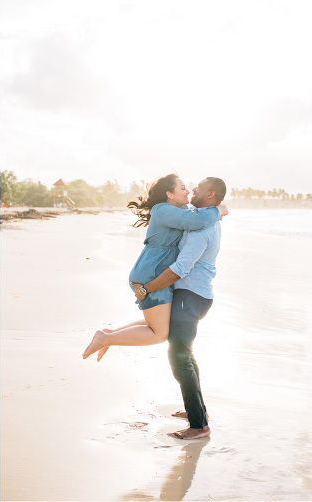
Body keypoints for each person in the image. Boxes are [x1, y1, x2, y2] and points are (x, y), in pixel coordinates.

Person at [82, 174, 227, 361]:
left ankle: (110, 333)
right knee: (159, 333)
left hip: (156, 270)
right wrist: (218, 210)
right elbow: (197, 221)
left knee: (160, 321)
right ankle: (106, 338)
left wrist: (215, 210)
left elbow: (197, 215)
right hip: (152, 272)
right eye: (182, 188)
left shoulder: (179, 209)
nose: (188, 190)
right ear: (169, 194)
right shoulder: (162, 209)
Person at [130, 177, 227, 440]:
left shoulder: (201, 229)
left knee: (179, 358)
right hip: (195, 295)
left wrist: (147, 289)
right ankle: (198, 411)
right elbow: (191, 215)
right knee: (186, 355)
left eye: (200, 187)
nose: (194, 188)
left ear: (211, 195)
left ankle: (199, 426)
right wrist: (220, 209)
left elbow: (179, 270)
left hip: (190, 296)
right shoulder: (204, 216)